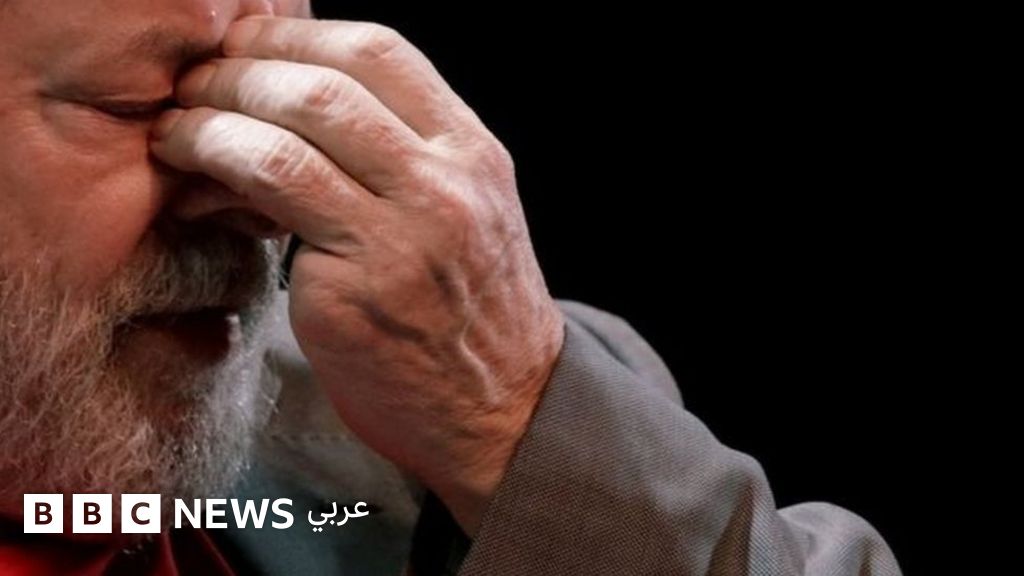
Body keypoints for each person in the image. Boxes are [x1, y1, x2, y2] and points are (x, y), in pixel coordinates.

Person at [0, 0, 902, 574]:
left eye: (271, 99)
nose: (262, 197)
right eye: (133, 107)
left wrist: (508, 423)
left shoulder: (484, 435)